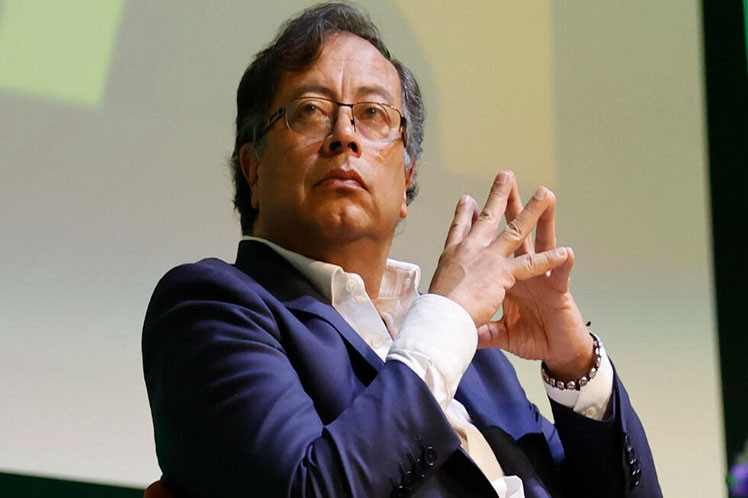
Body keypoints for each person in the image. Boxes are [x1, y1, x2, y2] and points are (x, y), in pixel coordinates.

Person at [142, 3, 661, 497]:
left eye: (372, 113)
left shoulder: (475, 358)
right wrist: (448, 317)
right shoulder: (209, 309)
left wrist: (574, 365)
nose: (344, 135)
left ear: (406, 178)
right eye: (311, 111)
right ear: (253, 170)